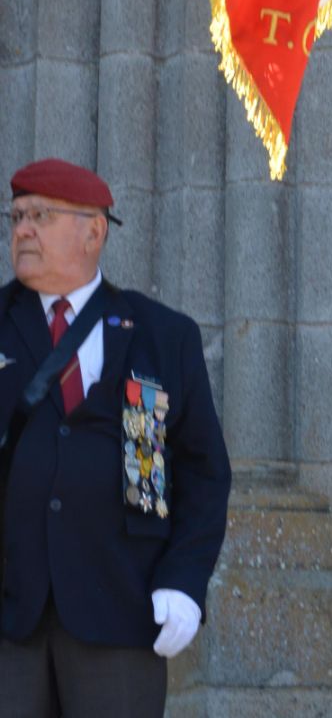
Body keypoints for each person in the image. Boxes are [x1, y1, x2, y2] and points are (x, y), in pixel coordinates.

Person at [0, 158, 232, 717]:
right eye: (16, 217)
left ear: (94, 231)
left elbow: (203, 472)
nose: (23, 230)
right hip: (8, 614)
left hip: (119, 606)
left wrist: (184, 580)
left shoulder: (163, 336)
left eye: (40, 216)